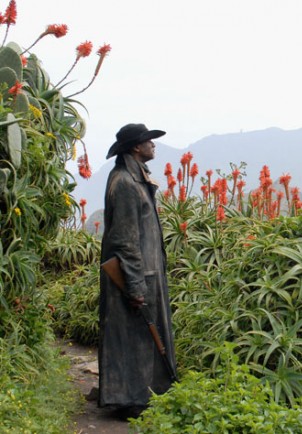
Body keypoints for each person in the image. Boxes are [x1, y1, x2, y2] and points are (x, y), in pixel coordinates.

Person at [98, 123, 177, 417]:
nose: (153, 145)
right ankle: (130, 400)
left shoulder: (136, 178)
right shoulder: (125, 183)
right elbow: (125, 240)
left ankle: (143, 396)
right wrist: (134, 286)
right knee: (134, 338)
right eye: (148, 140)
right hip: (137, 276)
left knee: (141, 338)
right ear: (135, 147)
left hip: (146, 274)